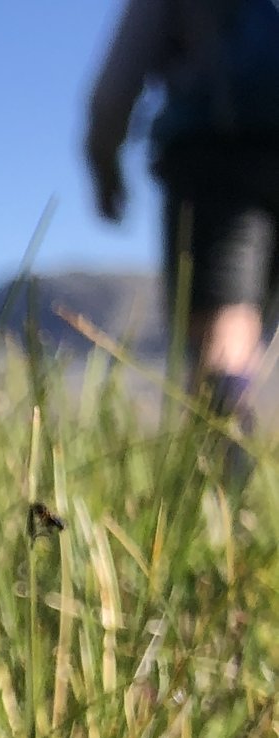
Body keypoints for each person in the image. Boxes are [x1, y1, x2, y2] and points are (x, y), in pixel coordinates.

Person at [87, 0, 279, 450]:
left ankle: (219, 489)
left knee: (223, 327)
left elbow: (118, 82)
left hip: (214, 159)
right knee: (250, 329)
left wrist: (103, 164)